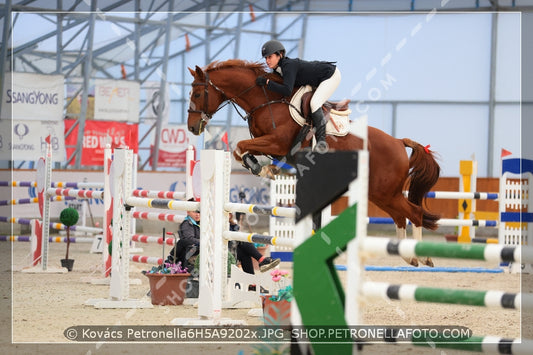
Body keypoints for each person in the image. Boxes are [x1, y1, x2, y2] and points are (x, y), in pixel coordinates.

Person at [256, 39, 341, 151]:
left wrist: (267, 83)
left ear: (280, 55)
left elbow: (287, 90)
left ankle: (322, 142)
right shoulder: (278, 70)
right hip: (316, 80)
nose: (267, 61)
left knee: (314, 103)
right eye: (266, 58)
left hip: (330, 75)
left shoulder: (288, 65)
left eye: (269, 57)